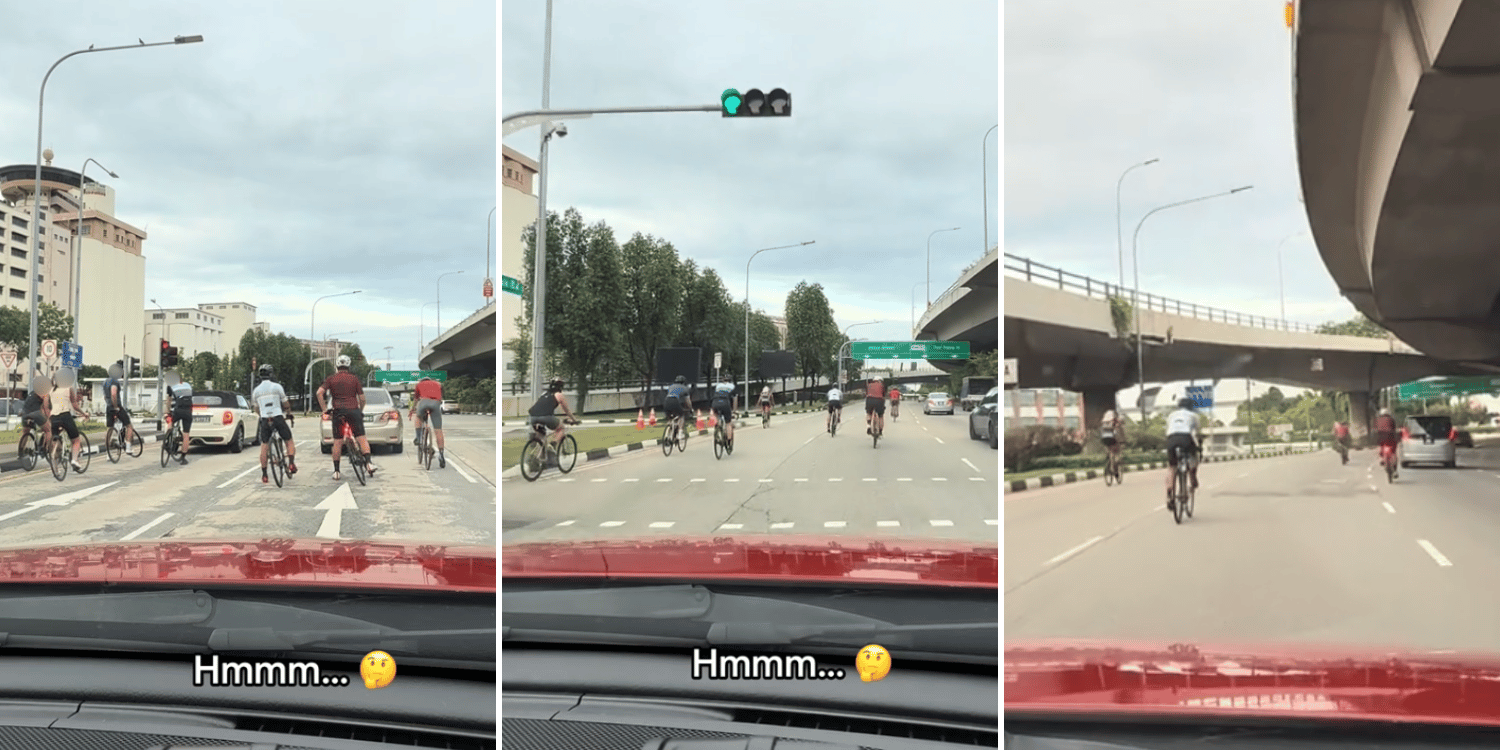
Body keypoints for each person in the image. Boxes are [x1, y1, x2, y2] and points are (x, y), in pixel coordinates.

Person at [316, 354, 375, 481]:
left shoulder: (331, 379)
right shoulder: (354, 379)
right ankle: (369, 464)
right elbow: (362, 399)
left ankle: (336, 472)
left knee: (337, 442)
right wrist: (360, 411)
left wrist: (325, 410)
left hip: (338, 412)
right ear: (348, 366)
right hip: (353, 410)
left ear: (337, 366)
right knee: (361, 438)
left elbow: (319, 393)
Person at [252, 364, 297, 483]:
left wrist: (262, 415)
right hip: (277, 416)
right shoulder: (277, 387)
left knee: (264, 446)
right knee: (289, 440)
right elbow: (286, 403)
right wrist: (288, 413)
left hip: (265, 419)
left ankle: (265, 475)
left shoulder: (256, 391)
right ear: (271, 374)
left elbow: (256, 408)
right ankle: (291, 464)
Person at [1164, 397, 1201, 509]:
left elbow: (1168, 429)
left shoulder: (1171, 415)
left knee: (1172, 467)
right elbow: (1197, 432)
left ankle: (1170, 490)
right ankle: (1193, 478)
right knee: (1193, 458)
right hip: (1185, 437)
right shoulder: (1193, 415)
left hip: (1171, 439)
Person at [527, 378, 578, 455]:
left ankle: (539, 458)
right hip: (546, 417)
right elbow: (567, 411)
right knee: (561, 428)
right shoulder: (559, 395)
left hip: (532, 417)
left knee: (542, 436)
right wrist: (574, 420)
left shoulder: (544, 394)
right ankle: (553, 444)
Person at [49, 372, 87, 473]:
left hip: (54, 418)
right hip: (65, 416)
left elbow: (48, 406)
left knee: (56, 440)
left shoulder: (51, 390)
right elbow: (74, 405)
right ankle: (74, 460)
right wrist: (83, 413)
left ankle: (55, 466)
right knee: (76, 440)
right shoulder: (68, 388)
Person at [409, 375, 446, 468]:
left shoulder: (419, 384)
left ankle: (418, 438)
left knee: (418, 417)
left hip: (423, 403)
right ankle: (441, 455)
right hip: (436, 403)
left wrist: (413, 409)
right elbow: (441, 397)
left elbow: (416, 399)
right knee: (438, 430)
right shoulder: (438, 384)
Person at [102, 361, 139, 449]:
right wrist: (115, 407)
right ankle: (128, 447)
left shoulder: (105, 382)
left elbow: (105, 397)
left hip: (108, 407)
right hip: (117, 406)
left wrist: (110, 405)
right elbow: (113, 394)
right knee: (129, 426)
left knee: (109, 429)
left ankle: (107, 451)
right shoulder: (114, 381)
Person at [18, 377, 52, 458]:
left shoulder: (32, 393)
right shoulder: (44, 393)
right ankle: (45, 449)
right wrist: (48, 418)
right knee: (48, 430)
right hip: (35, 414)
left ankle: (20, 453)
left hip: (24, 414)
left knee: (25, 433)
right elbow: (46, 407)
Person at [168, 379, 194, 464]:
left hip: (178, 411)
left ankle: (168, 439)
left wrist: (168, 412)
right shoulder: (188, 385)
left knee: (170, 421)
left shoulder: (170, 386)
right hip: (187, 412)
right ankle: (183, 458)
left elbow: (169, 400)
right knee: (186, 435)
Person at [710, 376, 737, 445]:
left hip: (715, 402)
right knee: (728, 422)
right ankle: (728, 440)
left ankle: (717, 424)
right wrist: (734, 411)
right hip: (725, 403)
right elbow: (735, 400)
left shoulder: (718, 386)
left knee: (716, 415)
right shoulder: (732, 386)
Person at [1374, 407, 1398, 471]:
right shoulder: (1391, 419)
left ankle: (1382, 459)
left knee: (1380, 446)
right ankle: (1395, 469)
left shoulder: (1378, 420)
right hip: (1390, 437)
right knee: (1393, 452)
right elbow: (1394, 429)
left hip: (1381, 437)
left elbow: (1376, 429)